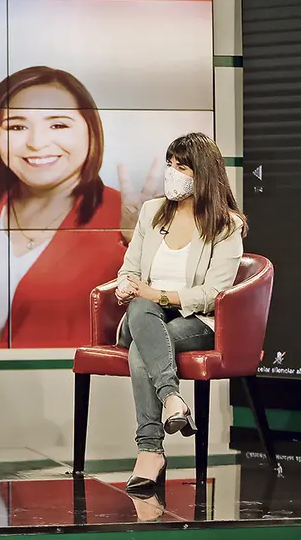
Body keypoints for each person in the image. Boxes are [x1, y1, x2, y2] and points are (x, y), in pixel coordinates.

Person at [0, 66, 161, 348]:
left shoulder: (126, 218)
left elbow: (155, 312)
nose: (36, 143)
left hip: (81, 384)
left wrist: (137, 242)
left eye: (58, 125)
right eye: (17, 126)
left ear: (91, 132)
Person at [114, 132, 246, 497]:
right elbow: (130, 268)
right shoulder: (152, 212)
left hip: (195, 322)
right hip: (142, 317)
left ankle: (149, 452)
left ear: (202, 174)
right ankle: (172, 398)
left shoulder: (225, 226)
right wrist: (128, 284)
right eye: (169, 165)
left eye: (181, 167)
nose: (172, 173)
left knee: (146, 348)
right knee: (142, 312)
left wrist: (159, 294)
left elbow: (214, 294)